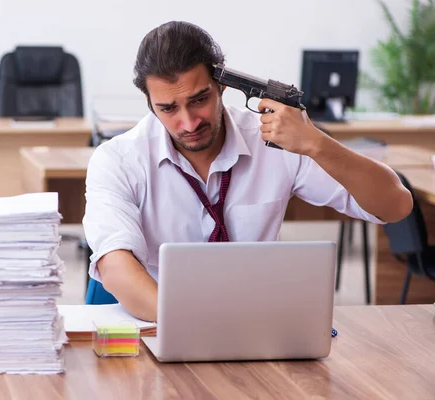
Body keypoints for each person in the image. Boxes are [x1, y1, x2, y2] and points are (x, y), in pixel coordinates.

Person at [82, 21, 413, 322]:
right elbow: (116, 265)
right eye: (168, 108)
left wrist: (316, 144)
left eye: (199, 100)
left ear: (222, 87)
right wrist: (197, 325)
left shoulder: (273, 140)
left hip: (251, 321)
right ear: (148, 102)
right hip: (155, 323)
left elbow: (396, 206)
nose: (188, 122)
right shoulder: (118, 159)